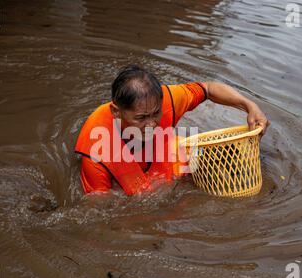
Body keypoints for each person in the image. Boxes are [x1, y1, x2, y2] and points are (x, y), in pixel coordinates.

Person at [75, 65, 270, 195]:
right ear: (116, 112)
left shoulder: (168, 99)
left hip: (159, 156)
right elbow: (99, 207)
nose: (151, 124)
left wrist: (249, 105)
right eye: (141, 118)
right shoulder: (95, 151)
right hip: (123, 173)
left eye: (156, 114)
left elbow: (209, 89)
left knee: (193, 153)